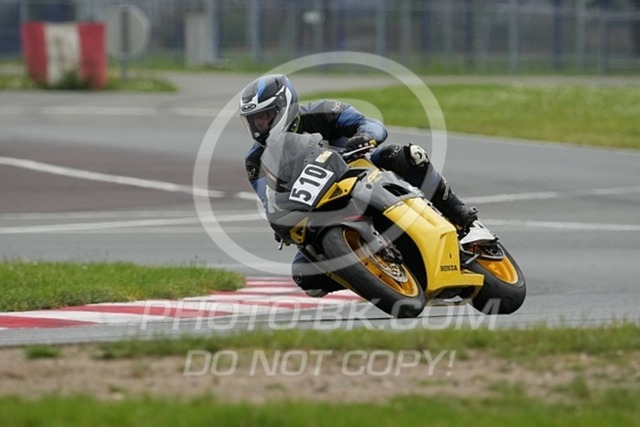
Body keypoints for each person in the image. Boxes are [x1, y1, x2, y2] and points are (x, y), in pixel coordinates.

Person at [239, 74, 478, 297]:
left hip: (360, 171)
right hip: (319, 207)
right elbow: (270, 198)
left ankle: (455, 209)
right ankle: (374, 275)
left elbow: (370, 123)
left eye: (265, 116)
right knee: (307, 277)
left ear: (285, 107)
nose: (259, 125)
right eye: (253, 120)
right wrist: (280, 219)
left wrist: (364, 136)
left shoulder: (322, 112)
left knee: (408, 155)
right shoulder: (255, 160)